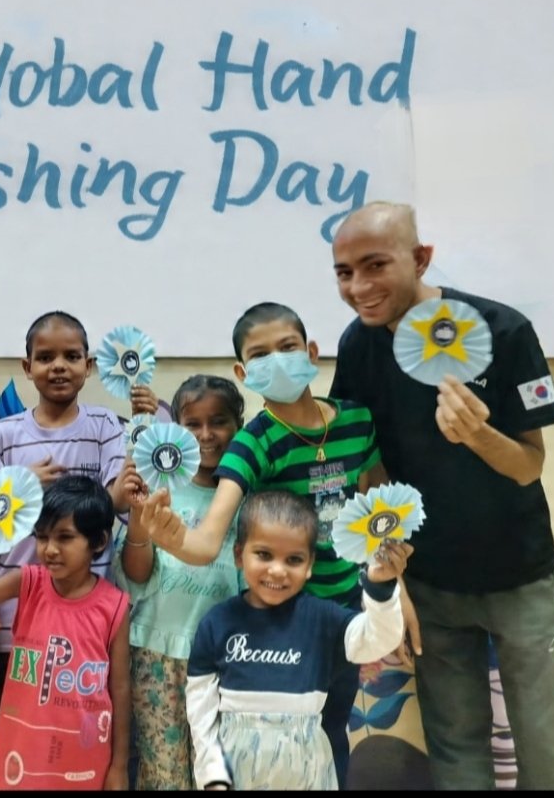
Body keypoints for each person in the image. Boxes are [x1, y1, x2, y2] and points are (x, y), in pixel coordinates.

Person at [328, 200, 554, 790]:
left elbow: (529, 466)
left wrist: (478, 435)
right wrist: (395, 584)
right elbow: (370, 465)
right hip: (432, 584)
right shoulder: (359, 346)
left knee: (544, 749)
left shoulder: (504, 329)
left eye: (375, 265)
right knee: (456, 750)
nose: (359, 287)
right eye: (343, 272)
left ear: (420, 258)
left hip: (521, 578)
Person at [141, 301, 392, 787]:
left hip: (345, 610)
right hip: (285, 616)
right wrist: (174, 539)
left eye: (287, 347)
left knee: (332, 730)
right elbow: (207, 542)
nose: (276, 360)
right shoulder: (252, 444)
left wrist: (392, 595)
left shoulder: (357, 421)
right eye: (260, 355)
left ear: (311, 352)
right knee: (282, 736)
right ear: (242, 371)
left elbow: (380, 513)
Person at [0, 310, 137, 712]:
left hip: (86, 611)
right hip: (13, 613)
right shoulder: (4, 435)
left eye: (71, 357)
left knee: (75, 718)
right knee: (20, 719)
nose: (58, 366)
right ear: (27, 367)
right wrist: (20, 488)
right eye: (45, 358)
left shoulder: (104, 426)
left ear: (89, 366)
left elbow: (116, 502)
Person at [186, 489, 409, 790]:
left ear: (309, 565)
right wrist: (211, 773)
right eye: (264, 555)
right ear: (239, 554)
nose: (277, 570)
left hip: (307, 771)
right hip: (234, 769)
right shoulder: (217, 623)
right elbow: (200, 709)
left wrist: (381, 588)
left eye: (293, 559)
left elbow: (377, 640)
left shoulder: (324, 619)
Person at [0, 473, 131, 791]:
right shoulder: (28, 582)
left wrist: (118, 765)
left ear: (99, 542)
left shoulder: (114, 606)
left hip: (83, 762)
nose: (49, 549)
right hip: (21, 755)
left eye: (65, 537)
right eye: (42, 537)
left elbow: (121, 690)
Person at [113, 375, 245, 790]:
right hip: (156, 653)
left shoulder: (243, 496)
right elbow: (136, 574)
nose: (206, 434)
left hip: (223, 659)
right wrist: (138, 513)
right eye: (193, 424)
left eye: (219, 421)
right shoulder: (161, 487)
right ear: (176, 430)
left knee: (218, 772)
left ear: (239, 425)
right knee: (163, 773)